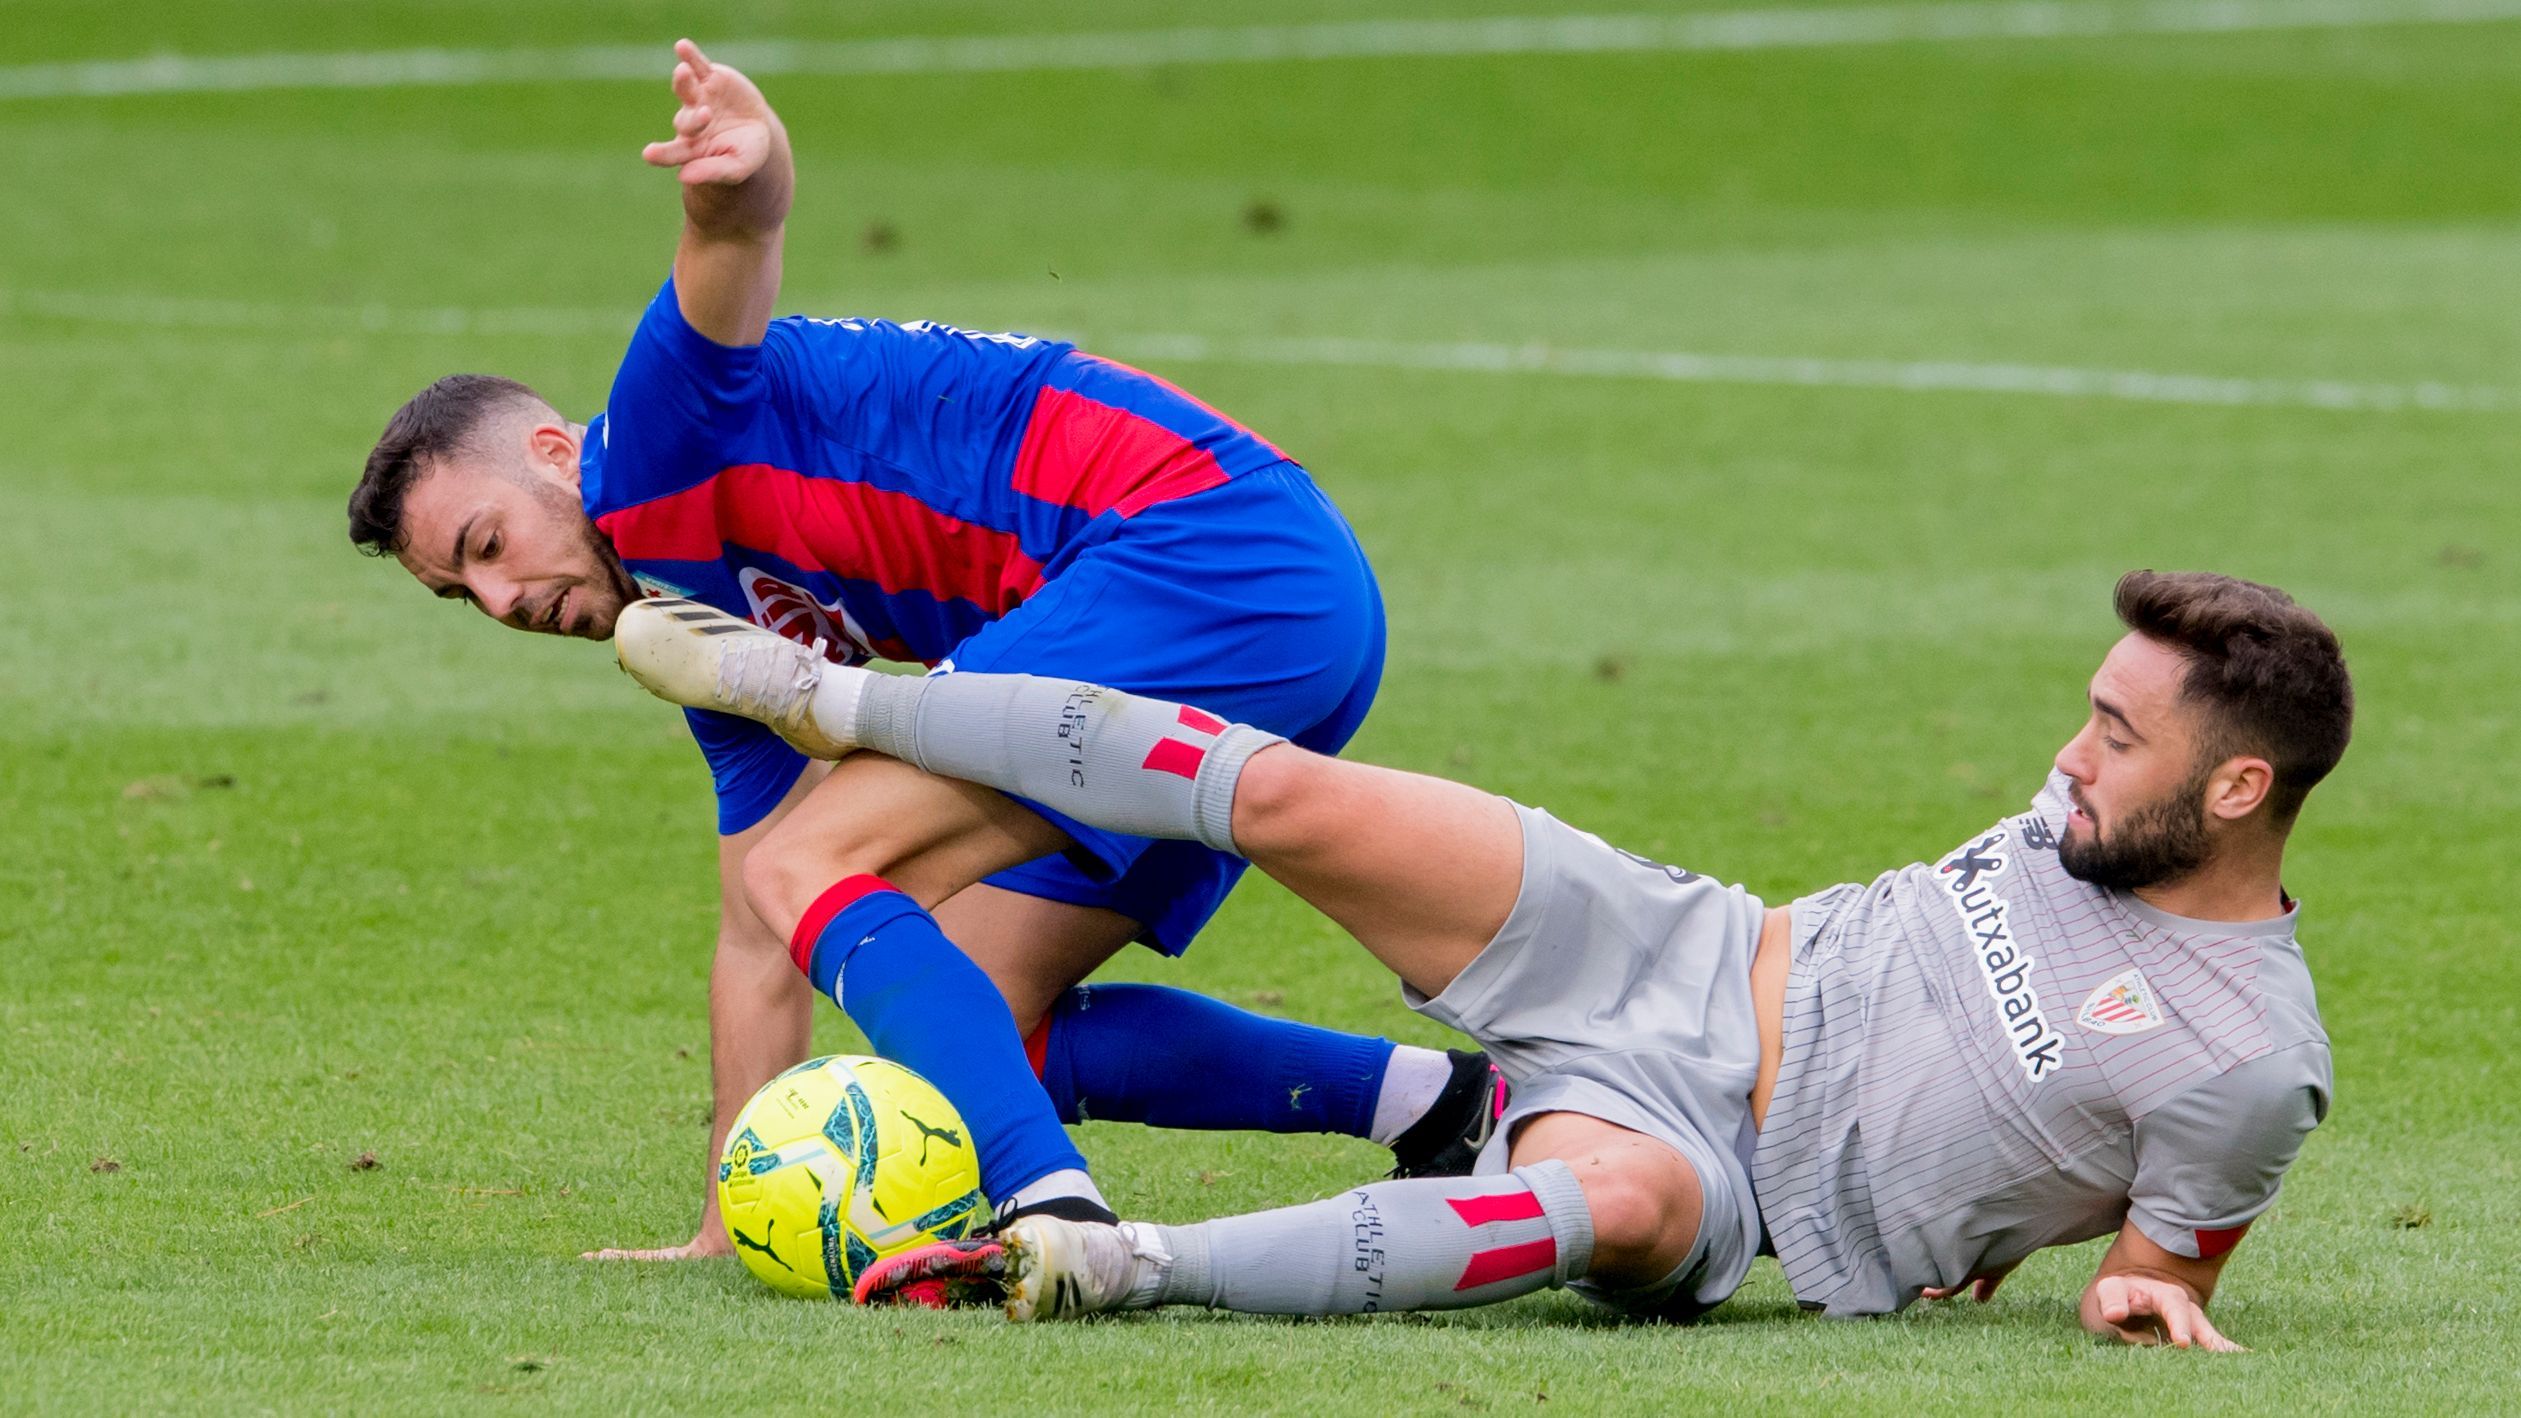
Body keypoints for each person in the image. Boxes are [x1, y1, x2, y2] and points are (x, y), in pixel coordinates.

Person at [344, 41, 1504, 1259]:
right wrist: (720, 1229)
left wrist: (743, 165)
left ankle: (1050, 1205)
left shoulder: (651, 440)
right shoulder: (695, 629)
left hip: (1193, 554)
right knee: (980, 1020)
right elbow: (756, 928)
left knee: (820, 863)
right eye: (460, 592)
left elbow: (733, 238)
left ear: (550, 453)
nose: (502, 598)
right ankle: (1443, 1107)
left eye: (487, 543)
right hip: (1284, 595)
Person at [616, 569, 2348, 1347]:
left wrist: (2127, 1288)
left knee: (1622, 1205)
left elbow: (2154, 1278)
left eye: (2116, 734)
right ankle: (824, 693)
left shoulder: (2245, 1062)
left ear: (2237, 789)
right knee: (1280, 793)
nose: (2066, 757)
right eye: (2087, 711)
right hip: (1680, 938)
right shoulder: (2094, 812)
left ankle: (1117, 1263)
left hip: (1729, 1168)